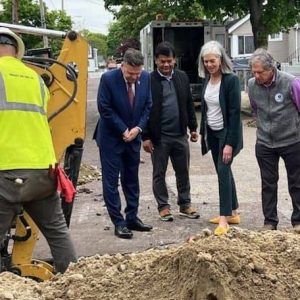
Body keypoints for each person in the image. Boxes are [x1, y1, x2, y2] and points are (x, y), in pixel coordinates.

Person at [0, 27, 77, 273]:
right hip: (44, 171)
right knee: (57, 233)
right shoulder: (35, 78)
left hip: (6, 174)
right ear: (16, 51)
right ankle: (77, 282)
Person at [94, 48, 152, 239]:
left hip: (133, 138)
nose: (134, 77)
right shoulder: (108, 79)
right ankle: (118, 222)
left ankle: (132, 217)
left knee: (131, 179)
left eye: (137, 73)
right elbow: (104, 108)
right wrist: (122, 129)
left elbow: (147, 107)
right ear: (123, 66)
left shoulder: (145, 78)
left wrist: (138, 129)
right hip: (111, 138)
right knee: (111, 182)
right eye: (130, 73)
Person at [142, 41, 200, 222]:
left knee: (183, 171)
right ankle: (163, 207)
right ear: (156, 61)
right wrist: (145, 137)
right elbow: (142, 109)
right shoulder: (148, 80)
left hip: (180, 135)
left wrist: (193, 127)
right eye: (162, 61)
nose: (166, 65)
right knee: (159, 173)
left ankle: (185, 204)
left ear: (174, 60)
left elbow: (189, 104)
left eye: (169, 61)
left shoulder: (182, 77)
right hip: (159, 138)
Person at [248, 48, 300, 232]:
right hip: (264, 142)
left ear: (271, 69)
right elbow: (256, 109)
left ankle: (298, 221)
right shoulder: (252, 85)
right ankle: (270, 221)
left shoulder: (291, 83)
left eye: (260, 72)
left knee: (296, 182)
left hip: (292, 140)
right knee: (268, 183)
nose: (256, 75)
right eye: (253, 72)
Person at [198, 40, 243, 236]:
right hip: (213, 132)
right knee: (222, 170)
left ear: (220, 59)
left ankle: (224, 218)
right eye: (206, 61)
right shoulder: (206, 80)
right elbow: (206, 109)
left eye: (212, 60)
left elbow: (234, 114)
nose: (209, 64)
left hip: (227, 133)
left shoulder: (231, 80)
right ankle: (233, 212)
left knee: (223, 172)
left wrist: (230, 144)